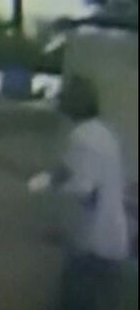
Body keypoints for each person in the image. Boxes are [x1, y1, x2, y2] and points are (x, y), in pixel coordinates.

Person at [27, 75, 129, 310]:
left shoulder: (81, 137)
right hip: (112, 237)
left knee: (75, 300)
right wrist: (49, 177)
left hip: (92, 241)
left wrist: (52, 189)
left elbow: (82, 187)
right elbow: (72, 170)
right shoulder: (103, 132)